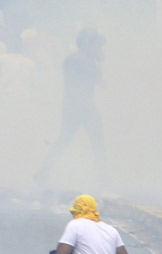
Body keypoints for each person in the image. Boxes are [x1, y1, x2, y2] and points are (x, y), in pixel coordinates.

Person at [35, 28, 108, 186]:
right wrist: (99, 62)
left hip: (71, 106)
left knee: (63, 140)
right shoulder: (86, 61)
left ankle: (43, 172)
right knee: (98, 143)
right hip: (85, 107)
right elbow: (101, 82)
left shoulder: (71, 59)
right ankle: (103, 179)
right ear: (89, 45)